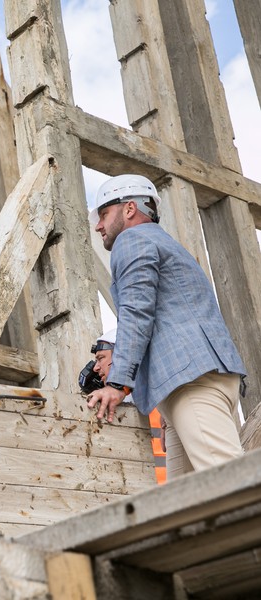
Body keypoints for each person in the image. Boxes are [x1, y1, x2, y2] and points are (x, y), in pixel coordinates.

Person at [86, 173, 245, 479]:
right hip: (192, 380)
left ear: (129, 209)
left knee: (233, 483)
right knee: (184, 507)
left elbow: (136, 312)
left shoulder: (132, 239)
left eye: (104, 214)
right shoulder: (167, 245)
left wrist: (118, 383)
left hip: (190, 382)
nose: (99, 225)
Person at [83, 328, 167, 483]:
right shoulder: (156, 386)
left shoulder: (139, 394)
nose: (95, 368)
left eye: (100, 358)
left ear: (121, 358)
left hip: (159, 485)